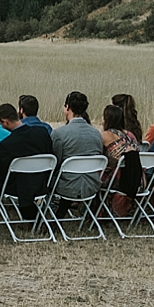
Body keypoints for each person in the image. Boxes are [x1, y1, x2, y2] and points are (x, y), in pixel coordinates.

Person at [0, 103, 53, 221]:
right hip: (42, 184)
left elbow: (2, 174)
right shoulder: (42, 133)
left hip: (18, 188)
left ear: (5, 121)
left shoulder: (7, 144)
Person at [49, 91, 102, 219]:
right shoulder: (97, 134)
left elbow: (55, 162)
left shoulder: (59, 134)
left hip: (66, 186)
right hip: (91, 185)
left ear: (67, 107)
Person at [99, 104, 142, 217]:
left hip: (118, 181)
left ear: (107, 119)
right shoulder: (131, 135)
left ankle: (95, 210)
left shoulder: (105, 136)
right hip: (138, 180)